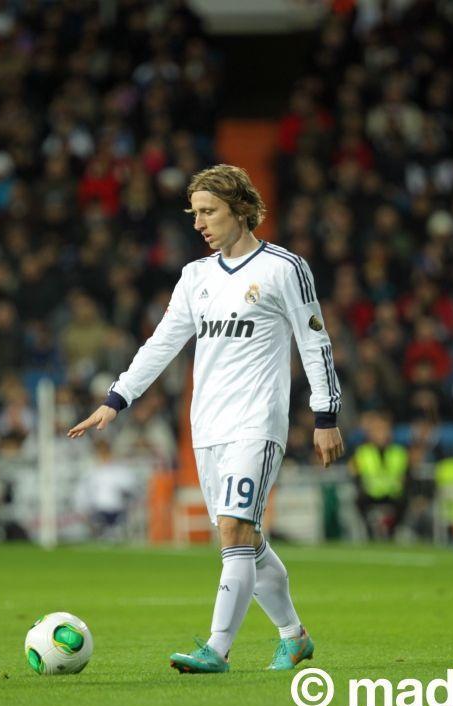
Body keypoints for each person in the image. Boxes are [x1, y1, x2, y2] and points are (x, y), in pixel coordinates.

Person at [69, 164, 344, 673]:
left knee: (235, 531)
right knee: (247, 539)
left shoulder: (284, 268)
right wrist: (116, 399)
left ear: (241, 209)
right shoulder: (195, 277)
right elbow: (161, 344)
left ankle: (216, 649)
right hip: (208, 426)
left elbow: (315, 342)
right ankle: (293, 635)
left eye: (209, 212)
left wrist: (325, 415)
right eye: (195, 213)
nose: (199, 223)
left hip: (257, 423)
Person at [349, 411, 409, 541]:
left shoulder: (399, 452)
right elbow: (355, 475)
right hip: (370, 494)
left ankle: (392, 532)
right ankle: (370, 532)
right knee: (359, 501)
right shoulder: (362, 452)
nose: (381, 434)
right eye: (377, 430)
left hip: (393, 494)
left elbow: (407, 475)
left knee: (405, 501)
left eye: (384, 430)